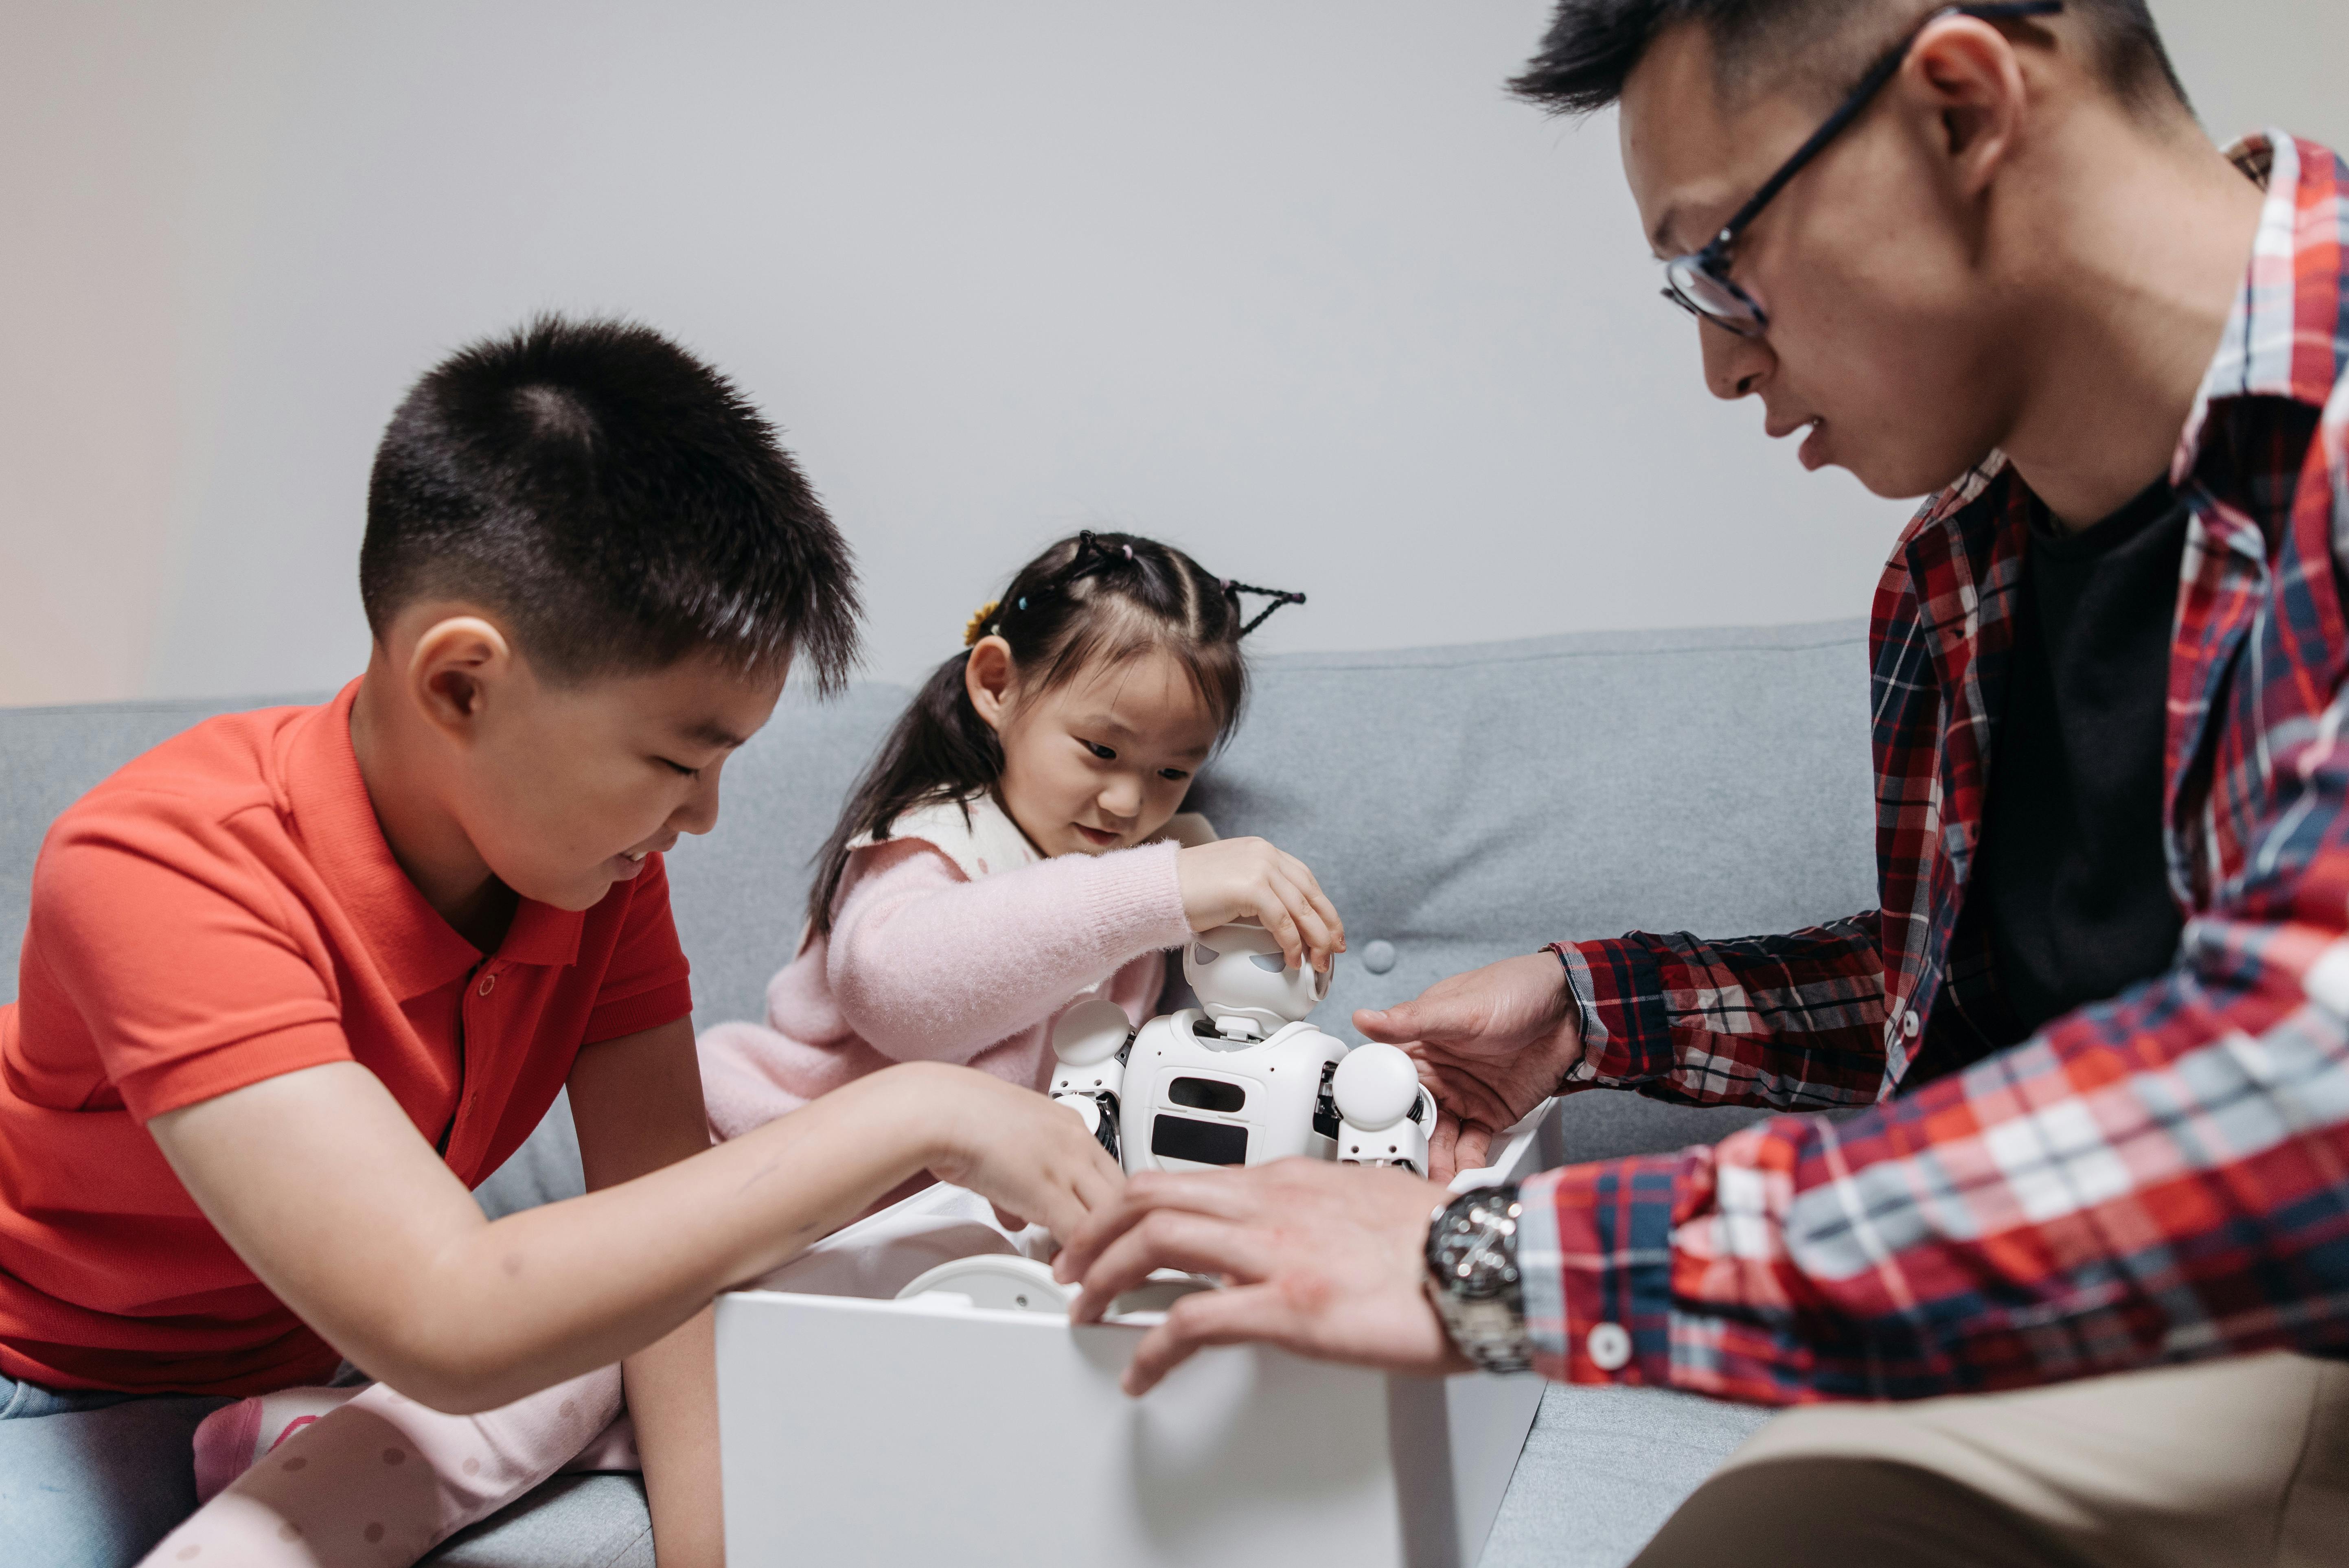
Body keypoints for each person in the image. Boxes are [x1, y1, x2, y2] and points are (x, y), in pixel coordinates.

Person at [1051, 2, 2349, 1563]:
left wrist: (1492, 1261)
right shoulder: (1963, 574)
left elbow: (2290, 1097)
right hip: (2104, 1357)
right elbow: (2005, 1003)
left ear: (1957, 105)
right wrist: (1594, 1006)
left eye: (1721, 258)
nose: (1720, 363)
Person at [0, 315, 1130, 1568]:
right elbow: (443, 1315)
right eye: (673, 758)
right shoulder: (159, 861)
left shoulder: (597, 880)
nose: (702, 815)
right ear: (461, 684)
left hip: (304, 1365)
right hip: (41, 1384)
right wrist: (917, 1109)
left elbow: (662, 1254)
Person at [152, 530, 1344, 1564]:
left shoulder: (1133, 901)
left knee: (885, 1414)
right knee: (558, 1387)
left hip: (885, 1273)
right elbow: (912, 994)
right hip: (723, 1217)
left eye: (1171, 772)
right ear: (995, 686)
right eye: (1102, 752)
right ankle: (346, 1457)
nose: (1130, 805)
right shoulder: (932, 846)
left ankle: (309, 1417)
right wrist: (1164, 886)